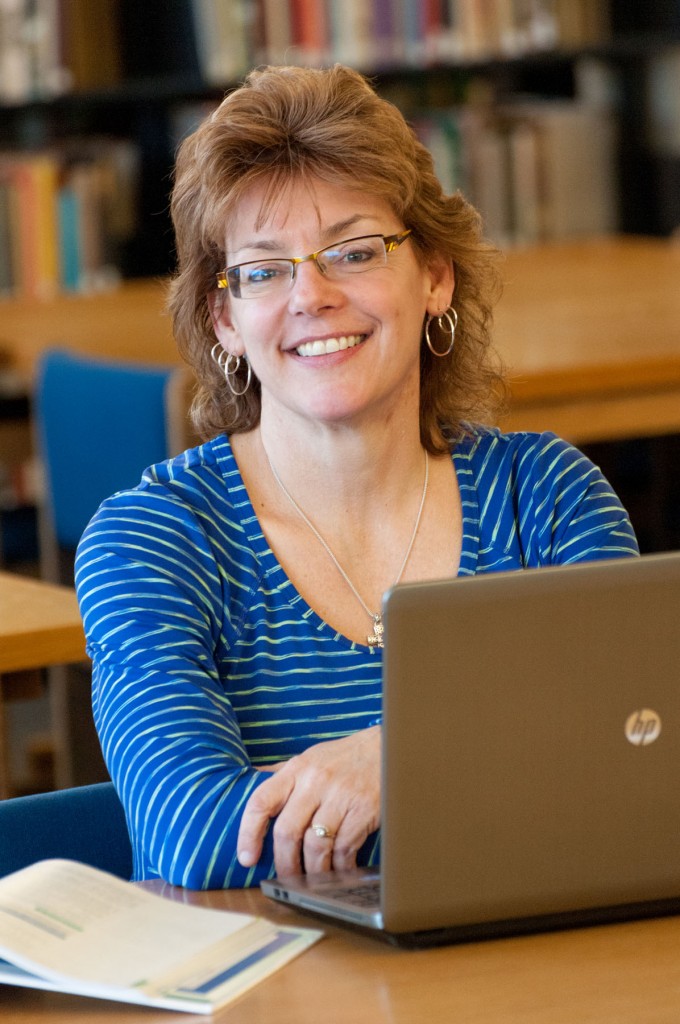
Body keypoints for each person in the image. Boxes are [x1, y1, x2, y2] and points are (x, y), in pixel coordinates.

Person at [75, 63, 638, 890]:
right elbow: (197, 841)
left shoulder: (548, 499)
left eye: (353, 250)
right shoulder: (153, 541)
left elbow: (634, 768)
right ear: (223, 318)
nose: (313, 295)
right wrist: (486, 774)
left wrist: (401, 760)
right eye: (264, 269)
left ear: (435, 276)